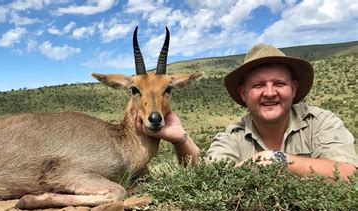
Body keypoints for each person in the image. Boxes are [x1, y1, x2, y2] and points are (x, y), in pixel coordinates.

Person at [134, 43, 357, 180]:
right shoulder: (234, 136)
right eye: (258, 86)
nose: (269, 93)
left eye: (279, 83)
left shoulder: (321, 122)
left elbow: (349, 175)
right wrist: (180, 139)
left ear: (294, 88)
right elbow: (206, 177)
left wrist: (275, 160)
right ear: (243, 94)